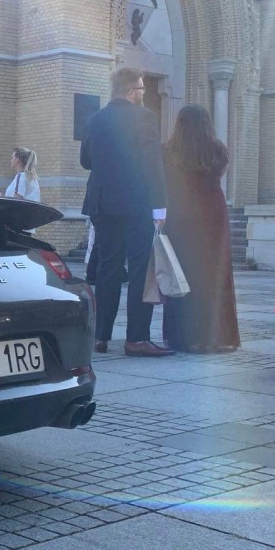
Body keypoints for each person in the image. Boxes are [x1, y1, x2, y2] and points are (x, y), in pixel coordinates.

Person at [81, 67, 173, 357]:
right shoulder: (144, 118)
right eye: (142, 89)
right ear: (132, 90)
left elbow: (86, 161)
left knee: (107, 269)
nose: (144, 94)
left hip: (102, 203)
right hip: (136, 203)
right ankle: (136, 338)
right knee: (139, 271)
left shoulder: (94, 119)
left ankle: (101, 336)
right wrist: (160, 206)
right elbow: (152, 164)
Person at [161, 105, 240, 353]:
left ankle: (181, 337)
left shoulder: (167, 151)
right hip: (212, 215)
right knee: (214, 275)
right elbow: (221, 174)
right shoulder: (218, 149)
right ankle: (214, 337)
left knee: (181, 273)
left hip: (180, 214)